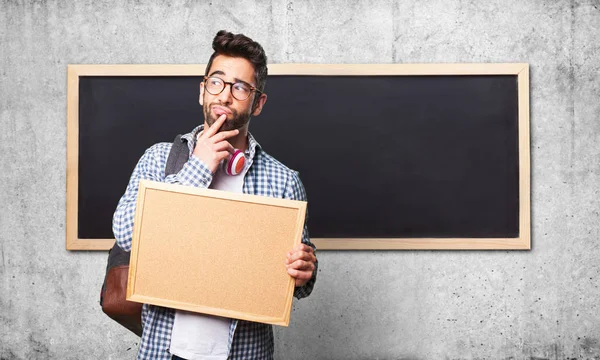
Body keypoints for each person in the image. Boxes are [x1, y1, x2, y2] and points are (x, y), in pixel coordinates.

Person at [112, 30, 318, 360]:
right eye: (216, 82)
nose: (224, 96)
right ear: (202, 90)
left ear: (258, 102)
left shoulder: (283, 182)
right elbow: (125, 234)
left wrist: (305, 270)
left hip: (244, 353)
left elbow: (300, 283)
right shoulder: (158, 159)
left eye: (240, 88)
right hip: (163, 353)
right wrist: (198, 168)